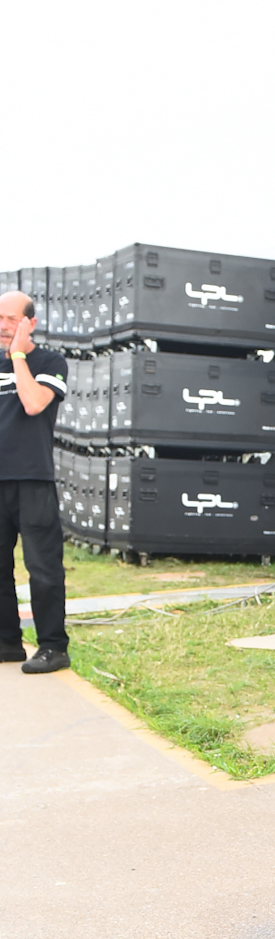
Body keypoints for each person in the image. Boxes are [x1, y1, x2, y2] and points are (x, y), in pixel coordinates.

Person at [0, 289, 70, 675]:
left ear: (31, 323)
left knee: (42, 568)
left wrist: (18, 355)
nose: (3, 325)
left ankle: (53, 647)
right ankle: (7, 642)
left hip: (32, 480)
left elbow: (32, 403)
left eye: (11, 318)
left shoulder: (49, 361)